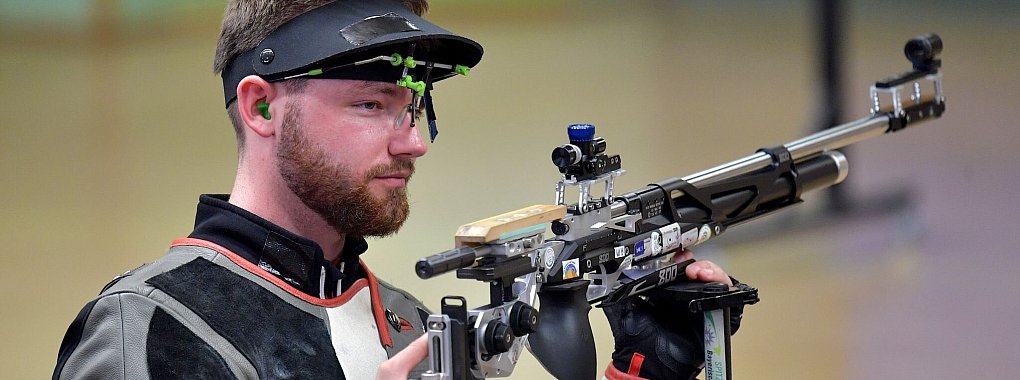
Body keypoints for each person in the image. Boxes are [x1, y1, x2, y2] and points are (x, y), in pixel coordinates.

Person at [52, 1, 740, 379]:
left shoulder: (408, 326)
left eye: (414, 108)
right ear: (261, 108)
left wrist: (643, 373)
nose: (413, 142)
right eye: (372, 105)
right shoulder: (154, 329)